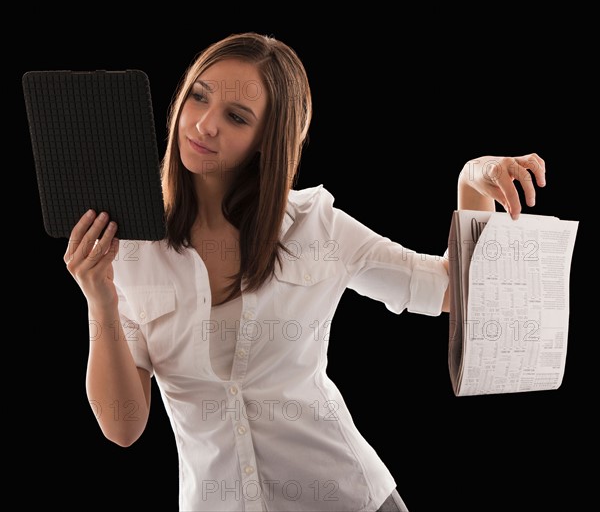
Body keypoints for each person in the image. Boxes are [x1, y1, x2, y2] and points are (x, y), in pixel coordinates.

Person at [64, 32, 546, 511]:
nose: (205, 125)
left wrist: (471, 182)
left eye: (236, 117)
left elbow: (451, 293)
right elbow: (123, 428)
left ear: (264, 141)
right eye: (198, 96)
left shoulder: (317, 228)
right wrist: (100, 299)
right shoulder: (133, 249)